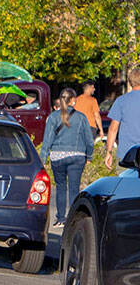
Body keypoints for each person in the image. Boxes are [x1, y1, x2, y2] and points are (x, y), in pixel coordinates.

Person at [41, 87, 93, 228]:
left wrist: (43, 159)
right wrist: (90, 155)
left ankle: (61, 218)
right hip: (77, 156)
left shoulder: (52, 117)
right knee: (74, 188)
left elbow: (47, 140)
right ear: (72, 100)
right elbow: (88, 139)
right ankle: (73, 218)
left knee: (61, 187)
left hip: (57, 156)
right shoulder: (81, 117)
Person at [105, 66, 140, 170]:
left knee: (125, 184)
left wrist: (109, 151)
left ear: (130, 82)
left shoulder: (121, 101)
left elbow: (113, 129)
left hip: (126, 155)